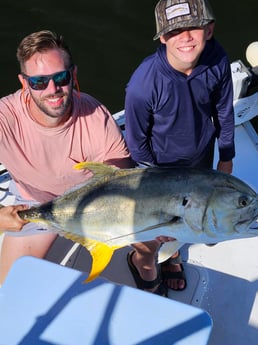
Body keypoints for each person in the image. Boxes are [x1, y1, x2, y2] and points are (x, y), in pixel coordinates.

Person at [0, 30, 134, 284]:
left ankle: (143, 266)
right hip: (33, 206)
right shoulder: (5, 118)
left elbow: (123, 178)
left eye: (60, 77)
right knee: (7, 288)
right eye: (39, 82)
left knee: (156, 240)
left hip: (94, 206)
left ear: (73, 75)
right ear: (24, 82)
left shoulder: (95, 115)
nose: (53, 90)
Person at [125, 0, 235, 295]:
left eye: (193, 28)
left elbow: (224, 111)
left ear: (209, 30)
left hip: (201, 158)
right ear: (162, 37)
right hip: (161, 169)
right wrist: (154, 181)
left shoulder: (218, 59)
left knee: (187, 218)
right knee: (160, 225)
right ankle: (145, 262)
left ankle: (173, 254)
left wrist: (226, 158)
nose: (185, 37)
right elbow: (137, 142)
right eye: (175, 31)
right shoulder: (143, 83)